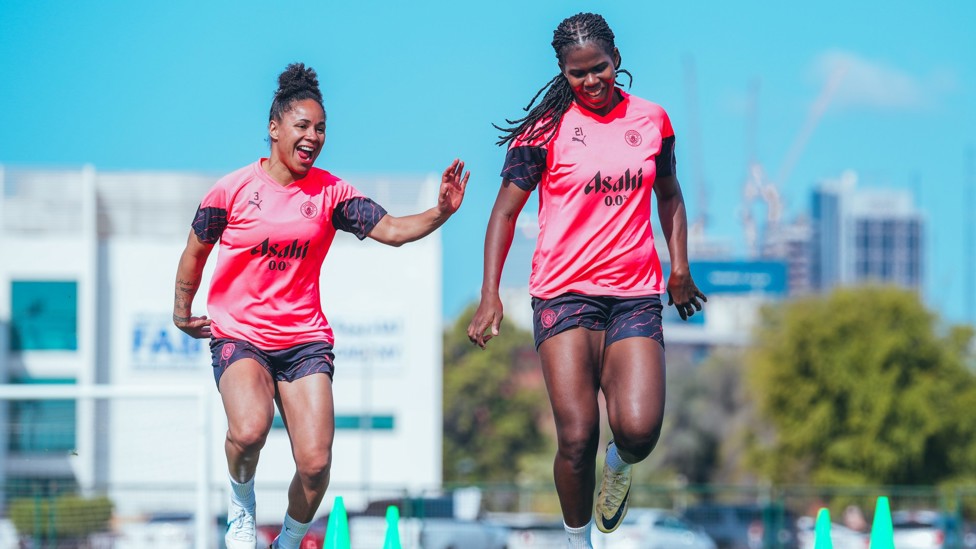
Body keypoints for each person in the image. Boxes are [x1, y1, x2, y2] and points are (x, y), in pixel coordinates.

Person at [173, 62, 469, 549]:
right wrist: (182, 313)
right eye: (303, 126)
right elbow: (194, 254)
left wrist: (441, 210)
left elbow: (391, 230)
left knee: (314, 466)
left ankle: (287, 541)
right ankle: (241, 506)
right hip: (241, 333)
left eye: (321, 128)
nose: (313, 136)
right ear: (274, 128)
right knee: (249, 431)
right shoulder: (230, 193)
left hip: (304, 340)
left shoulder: (332, 193)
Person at [466, 13, 705, 549]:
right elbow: (503, 214)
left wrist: (680, 268)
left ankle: (620, 464)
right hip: (563, 294)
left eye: (599, 68)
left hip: (634, 295)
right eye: (578, 74)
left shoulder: (653, 121)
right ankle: (578, 541)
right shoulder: (543, 131)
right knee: (576, 437)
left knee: (639, 431)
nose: (592, 81)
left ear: (616, 60)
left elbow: (669, 194)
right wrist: (489, 296)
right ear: (563, 73)